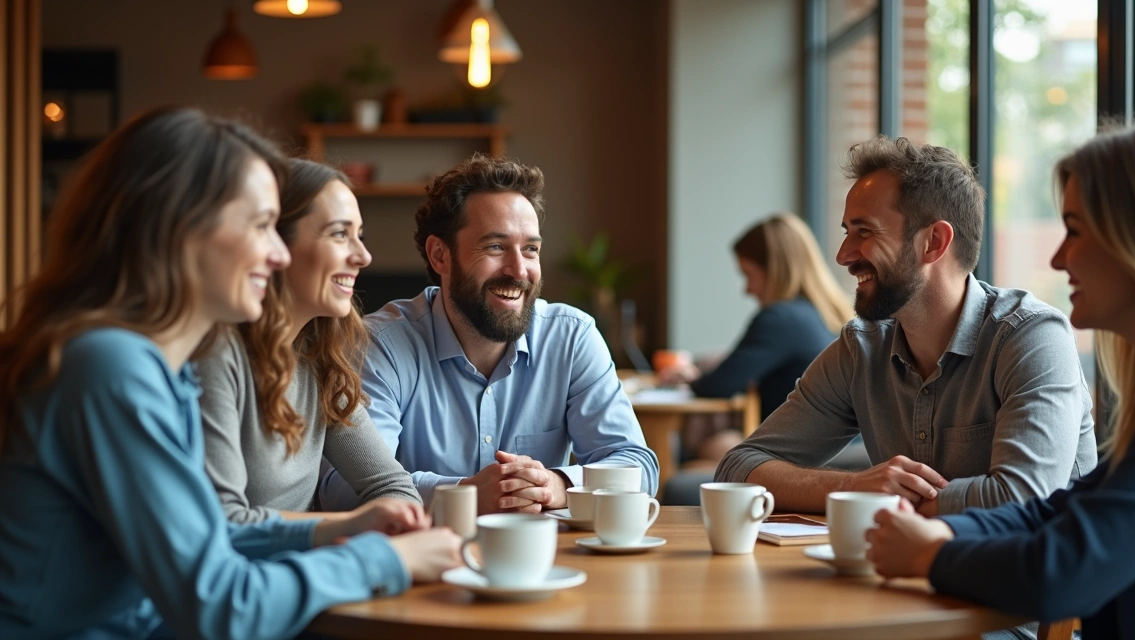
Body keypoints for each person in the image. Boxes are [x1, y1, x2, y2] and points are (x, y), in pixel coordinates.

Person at [0, 107, 461, 639]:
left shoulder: (150, 367)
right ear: (183, 228)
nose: (277, 253)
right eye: (261, 226)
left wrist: (339, 530)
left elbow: (206, 535)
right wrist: (386, 561)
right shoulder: (111, 367)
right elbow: (219, 605)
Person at [866, 122, 1135, 638]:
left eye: (1074, 230)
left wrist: (930, 555)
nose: (1057, 258)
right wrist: (939, 531)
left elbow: (1066, 571)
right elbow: (1055, 512)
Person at [716, 136, 1097, 516]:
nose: (843, 255)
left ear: (934, 242)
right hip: (915, 554)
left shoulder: (1032, 336)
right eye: (847, 232)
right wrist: (854, 487)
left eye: (865, 232)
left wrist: (889, 501)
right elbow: (738, 467)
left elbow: (1026, 496)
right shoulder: (861, 350)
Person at [318, 153, 658, 515]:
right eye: (496, 247)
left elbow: (638, 467)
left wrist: (556, 485)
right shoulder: (379, 344)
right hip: (420, 549)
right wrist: (466, 495)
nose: (519, 271)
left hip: (541, 549)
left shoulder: (571, 338)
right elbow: (342, 489)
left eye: (530, 249)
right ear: (439, 255)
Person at [197, 158, 424, 525]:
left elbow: (392, 485)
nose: (363, 256)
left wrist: (389, 523)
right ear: (274, 243)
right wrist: (350, 526)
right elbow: (224, 521)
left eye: (360, 235)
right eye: (339, 234)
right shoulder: (216, 355)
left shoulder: (319, 359)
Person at [660, 212, 854, 462]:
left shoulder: (780, 319)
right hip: (840, 449)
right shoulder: (826, 316)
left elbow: (718, 386)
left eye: (749, 275)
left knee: (706, 452)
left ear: (774, 270)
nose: (747, 289)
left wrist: (691, 378)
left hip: (803, 455)